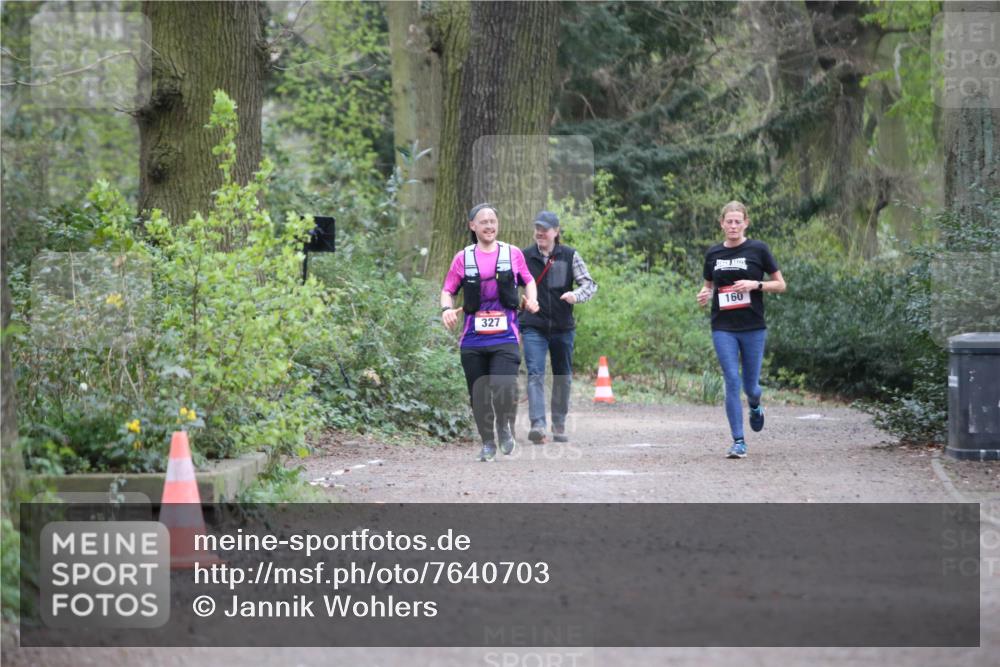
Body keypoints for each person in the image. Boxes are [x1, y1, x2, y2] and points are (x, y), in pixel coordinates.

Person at [441, 204, 539, 462]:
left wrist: (532, 300)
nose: (489, 225)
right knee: (479, 394)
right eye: (483, 221)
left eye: (493, 221)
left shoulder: (512, 253)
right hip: (472, 339)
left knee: (504, 387)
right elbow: (448, 290)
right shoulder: (463, 258)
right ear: (472, 226)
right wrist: (446, 309)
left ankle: (504, 426)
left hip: (505, 335)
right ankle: (487, 443)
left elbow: (528, 280)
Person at [697, 201, 786, 459]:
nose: (733, 226)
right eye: (729, 221)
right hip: (723, 327)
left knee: (751, 387)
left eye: (738, 221)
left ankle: (756, 406)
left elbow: (781, 284)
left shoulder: (758, 249)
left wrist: (755, 284)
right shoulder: (713, 253)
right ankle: (738, 441)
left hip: (753, 327)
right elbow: (708, 286)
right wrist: (704, 294)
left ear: (746, 223)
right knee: (731, 381)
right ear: (721, 224)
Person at [520, 211, 598, 444]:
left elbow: (590, 284)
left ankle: (559, 422)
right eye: (537, 228)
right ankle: (538, 425)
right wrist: (519, 302)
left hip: (563, 327)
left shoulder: (569, 255)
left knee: (563, 375)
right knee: (535, 373)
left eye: (545, 229)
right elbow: (510, 286)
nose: (540, 233)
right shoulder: (524, 256)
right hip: (533, 326)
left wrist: (575, 295)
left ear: (556, 232)